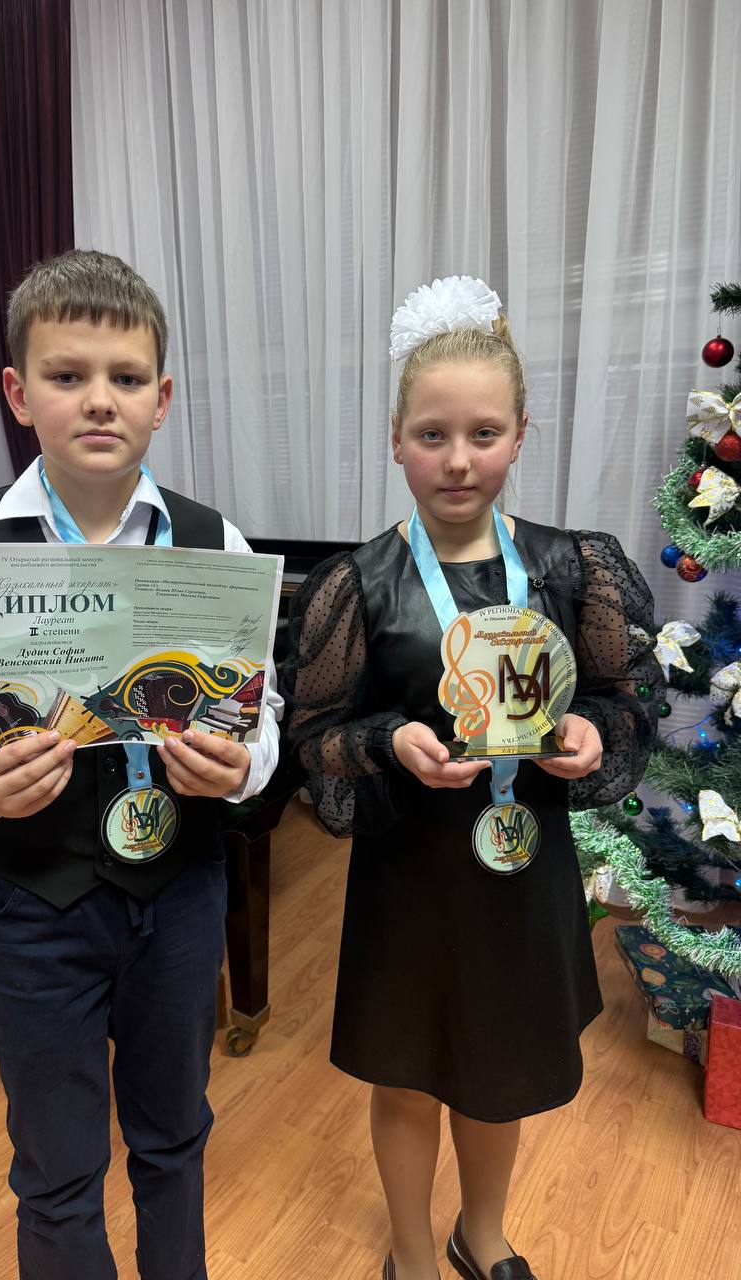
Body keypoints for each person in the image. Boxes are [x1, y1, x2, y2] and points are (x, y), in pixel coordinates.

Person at [0, 249, 282, 1280]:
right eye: (67, 375)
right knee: (57, 1170)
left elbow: (264, 712)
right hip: (28, 904)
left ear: (162, 399)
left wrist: (239, 765)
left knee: (175, 1138)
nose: (100, 399)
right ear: (19, 393)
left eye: (126, 377)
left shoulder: (217, 543)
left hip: (180, 896)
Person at [282, 276, 660, 1280]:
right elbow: (311, 735)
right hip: (409, 876)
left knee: (502, 1073)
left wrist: (591, 730)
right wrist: (387, 741)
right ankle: (410, 1250)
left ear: (520, 436)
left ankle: (479, 1233)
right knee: (407, 1075)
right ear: (395, 441)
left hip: (523, 873)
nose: (458, 459)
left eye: (483, 434)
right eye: (433, 434)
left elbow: (629, 698)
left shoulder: (574, 569)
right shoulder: (358, 584)